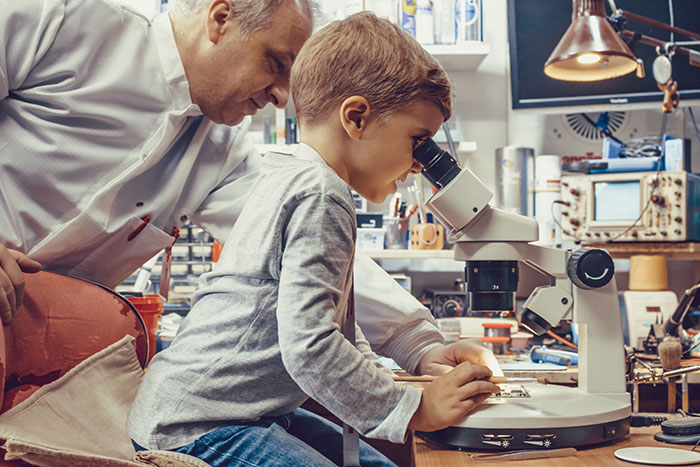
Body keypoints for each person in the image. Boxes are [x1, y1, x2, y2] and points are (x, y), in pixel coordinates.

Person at [0, 0, 499, 378]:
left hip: (43, 357)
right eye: (276, 63)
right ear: (221, 18)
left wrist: (417, 342)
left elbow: (306, 244)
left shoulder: (219, 153)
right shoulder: (64, 19)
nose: (284, 97)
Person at [127, 12, 501, 466]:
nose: (422, 163)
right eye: (418, 140)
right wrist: (415, 407)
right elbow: (310, 346)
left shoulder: (290, 172)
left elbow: (329, 324)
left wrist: (413, 358)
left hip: (227, 411)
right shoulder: (322, 193)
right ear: (357, 117)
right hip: (198, 426)